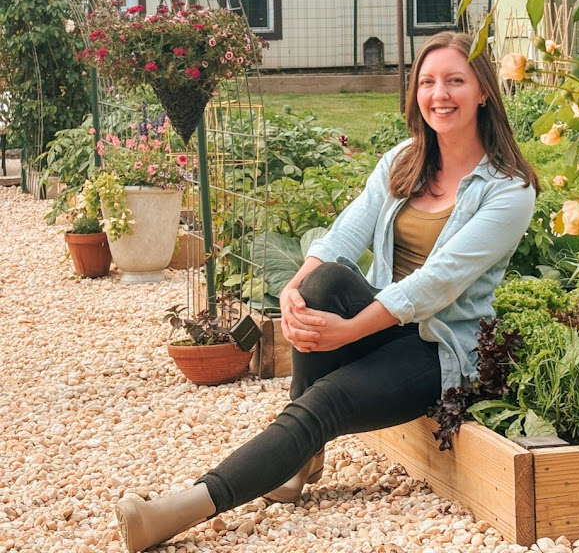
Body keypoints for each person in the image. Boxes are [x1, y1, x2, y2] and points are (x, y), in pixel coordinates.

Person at [115, 31, 538, 553]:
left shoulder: (509, 189)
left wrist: (350, 330)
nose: (439, 94)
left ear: (483, 92)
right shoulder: (404, 160)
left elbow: (436, 283)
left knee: (327, 400)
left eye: (455, 80)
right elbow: (344, 235)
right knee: (323, 281)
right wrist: (292, 290)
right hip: (381, 324)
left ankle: (178, 510)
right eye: (427, 81)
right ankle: (298, 457)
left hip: (436, 348)